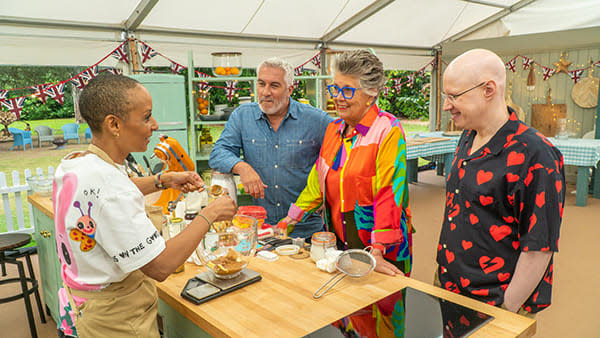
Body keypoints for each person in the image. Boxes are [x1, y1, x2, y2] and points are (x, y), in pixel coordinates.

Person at [53, 73, 236, 337]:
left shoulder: (77, 163)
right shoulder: (110, 188)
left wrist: (163, 180)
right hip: (114, 323)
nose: (155, 124)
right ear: (114, 124)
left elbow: (105, 196)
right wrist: (209, 215)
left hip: (79, 309)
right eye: (146, 117)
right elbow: (160, 266)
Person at [436, 49, 565, 323]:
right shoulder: (468, 136)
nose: (447, 105)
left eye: (454, 96)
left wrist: (507, 308)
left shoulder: (537, 154)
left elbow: (539, 246)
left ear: (488, 90)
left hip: (494, 302)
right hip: (448, 285)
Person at [283, 49, 413, 277]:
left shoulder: (388, 130)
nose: (338, 97)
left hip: (381, 247)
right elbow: (318, 181)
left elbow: (390, 192)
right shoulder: (334, 129)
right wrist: (290, 219)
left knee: (381, 309)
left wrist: (379, 250)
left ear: (371, 93)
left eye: (347, 90)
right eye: (335, 88)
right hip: (340, 242)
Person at [209, 57, 332, 238]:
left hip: (307, 231)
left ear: (290, 89)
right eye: (261, 84)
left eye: (274, 86)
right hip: (260, 230)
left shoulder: (317, 120)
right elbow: (218, 153)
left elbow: (341, 155)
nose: (265, 92)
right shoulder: (242, 117)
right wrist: (242, 167)